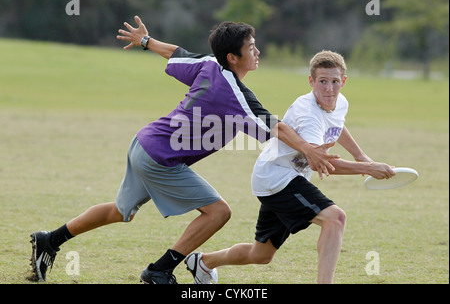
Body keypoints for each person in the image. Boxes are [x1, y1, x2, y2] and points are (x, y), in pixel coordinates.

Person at [29, 16, 338, 284]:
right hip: (161, 159)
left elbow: (176, 53)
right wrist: (309, 151)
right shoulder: (236, 94)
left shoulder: (207, 64)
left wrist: (146, 40)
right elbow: (278, 127)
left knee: (120, 212)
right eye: (251, 47)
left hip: (144, 144)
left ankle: (49, 240)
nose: (257, 51)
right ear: (232, 57)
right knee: (219, 212)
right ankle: (159, 271)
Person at [186, 50, 397, 284]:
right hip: (277, 178)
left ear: (343, 81)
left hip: (282, 177)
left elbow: (337, 124)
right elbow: (321, 163)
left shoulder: (340, 103)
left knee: (262, 254)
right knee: (335, 218)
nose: (329, 89)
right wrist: (368, 169)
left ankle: (203, 262)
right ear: (311, 81)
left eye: (335, 82)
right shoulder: (307, 112)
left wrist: (361, 157)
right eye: (322, 82)